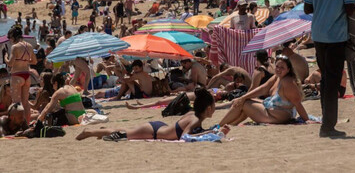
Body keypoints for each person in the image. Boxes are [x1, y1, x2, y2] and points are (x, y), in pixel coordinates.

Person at [304, 0, 355, 137]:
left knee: (326, 78)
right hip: (336, 36)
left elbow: (307, 8)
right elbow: (350, 8)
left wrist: (323, 5)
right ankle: (327, 126)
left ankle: (327, 122)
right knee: (332, 81)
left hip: (318, 35)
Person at [76, 88, 226, 141]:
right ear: (207, 109)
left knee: (123, 130)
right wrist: (210, 132)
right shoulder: (194, 120)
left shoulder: (194, 114)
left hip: (160, 128)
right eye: (213, 106)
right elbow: (185, 137)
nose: (214, 109)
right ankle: (89, 131)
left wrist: (212, 130)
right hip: (154, 131)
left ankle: (100, 131)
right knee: (123, 133)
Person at [218, 55, 310, 126]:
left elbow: (297, 103)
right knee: (242, 101)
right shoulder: (277, 77)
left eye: (282, 67)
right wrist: (243, 97)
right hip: (273, 111)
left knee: (244, 103)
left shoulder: (288, 82)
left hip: (278, 117)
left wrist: (307, 120)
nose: (278, 69)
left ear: (288, 69)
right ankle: (230, 125)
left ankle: (219, 126)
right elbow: (263, 88)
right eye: (277, 66)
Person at [4, 27, 37, 124]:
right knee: (25, 102)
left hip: (17, 75)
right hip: (27, 75)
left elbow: (10, 63)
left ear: (13, 37)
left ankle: (16, 125)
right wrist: (24, 60)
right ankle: (26, 123)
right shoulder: (30, 46)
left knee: (16, 102)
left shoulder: (15, 47)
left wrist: (6, 56)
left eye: (10, 38)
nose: (10, 40)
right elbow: (34, 61)